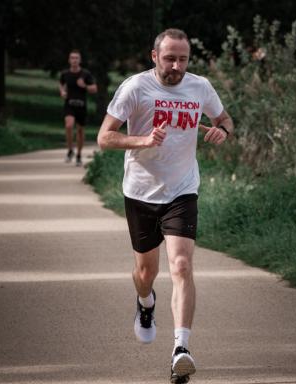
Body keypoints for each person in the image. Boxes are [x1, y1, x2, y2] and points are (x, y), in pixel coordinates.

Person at [97, 28, 234, 384]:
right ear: (154, 56)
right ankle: (145, 303)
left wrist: (223, 131)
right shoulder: (135, 88)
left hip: (182, 190)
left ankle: (180, 350)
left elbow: (224, 120)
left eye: (183, 59)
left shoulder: (200, 87)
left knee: (182, 265)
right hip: (141, 192)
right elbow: (104, 137)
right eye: (170, 58)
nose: (177, 66)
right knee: (146, 274)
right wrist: (142, 140)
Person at [59, 50, 98, 166]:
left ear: (80, 60)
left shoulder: (85, 74)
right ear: (69, 60)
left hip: (81, 106)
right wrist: (62, 92)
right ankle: (70, 150)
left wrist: (84, 86)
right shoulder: (65, 74)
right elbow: (61, 84)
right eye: (72, 58)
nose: (74, 60)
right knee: (69, 125)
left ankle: (79, 155)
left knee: (80, 130)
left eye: (76, 58)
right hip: (69, 104)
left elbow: (94, 88)